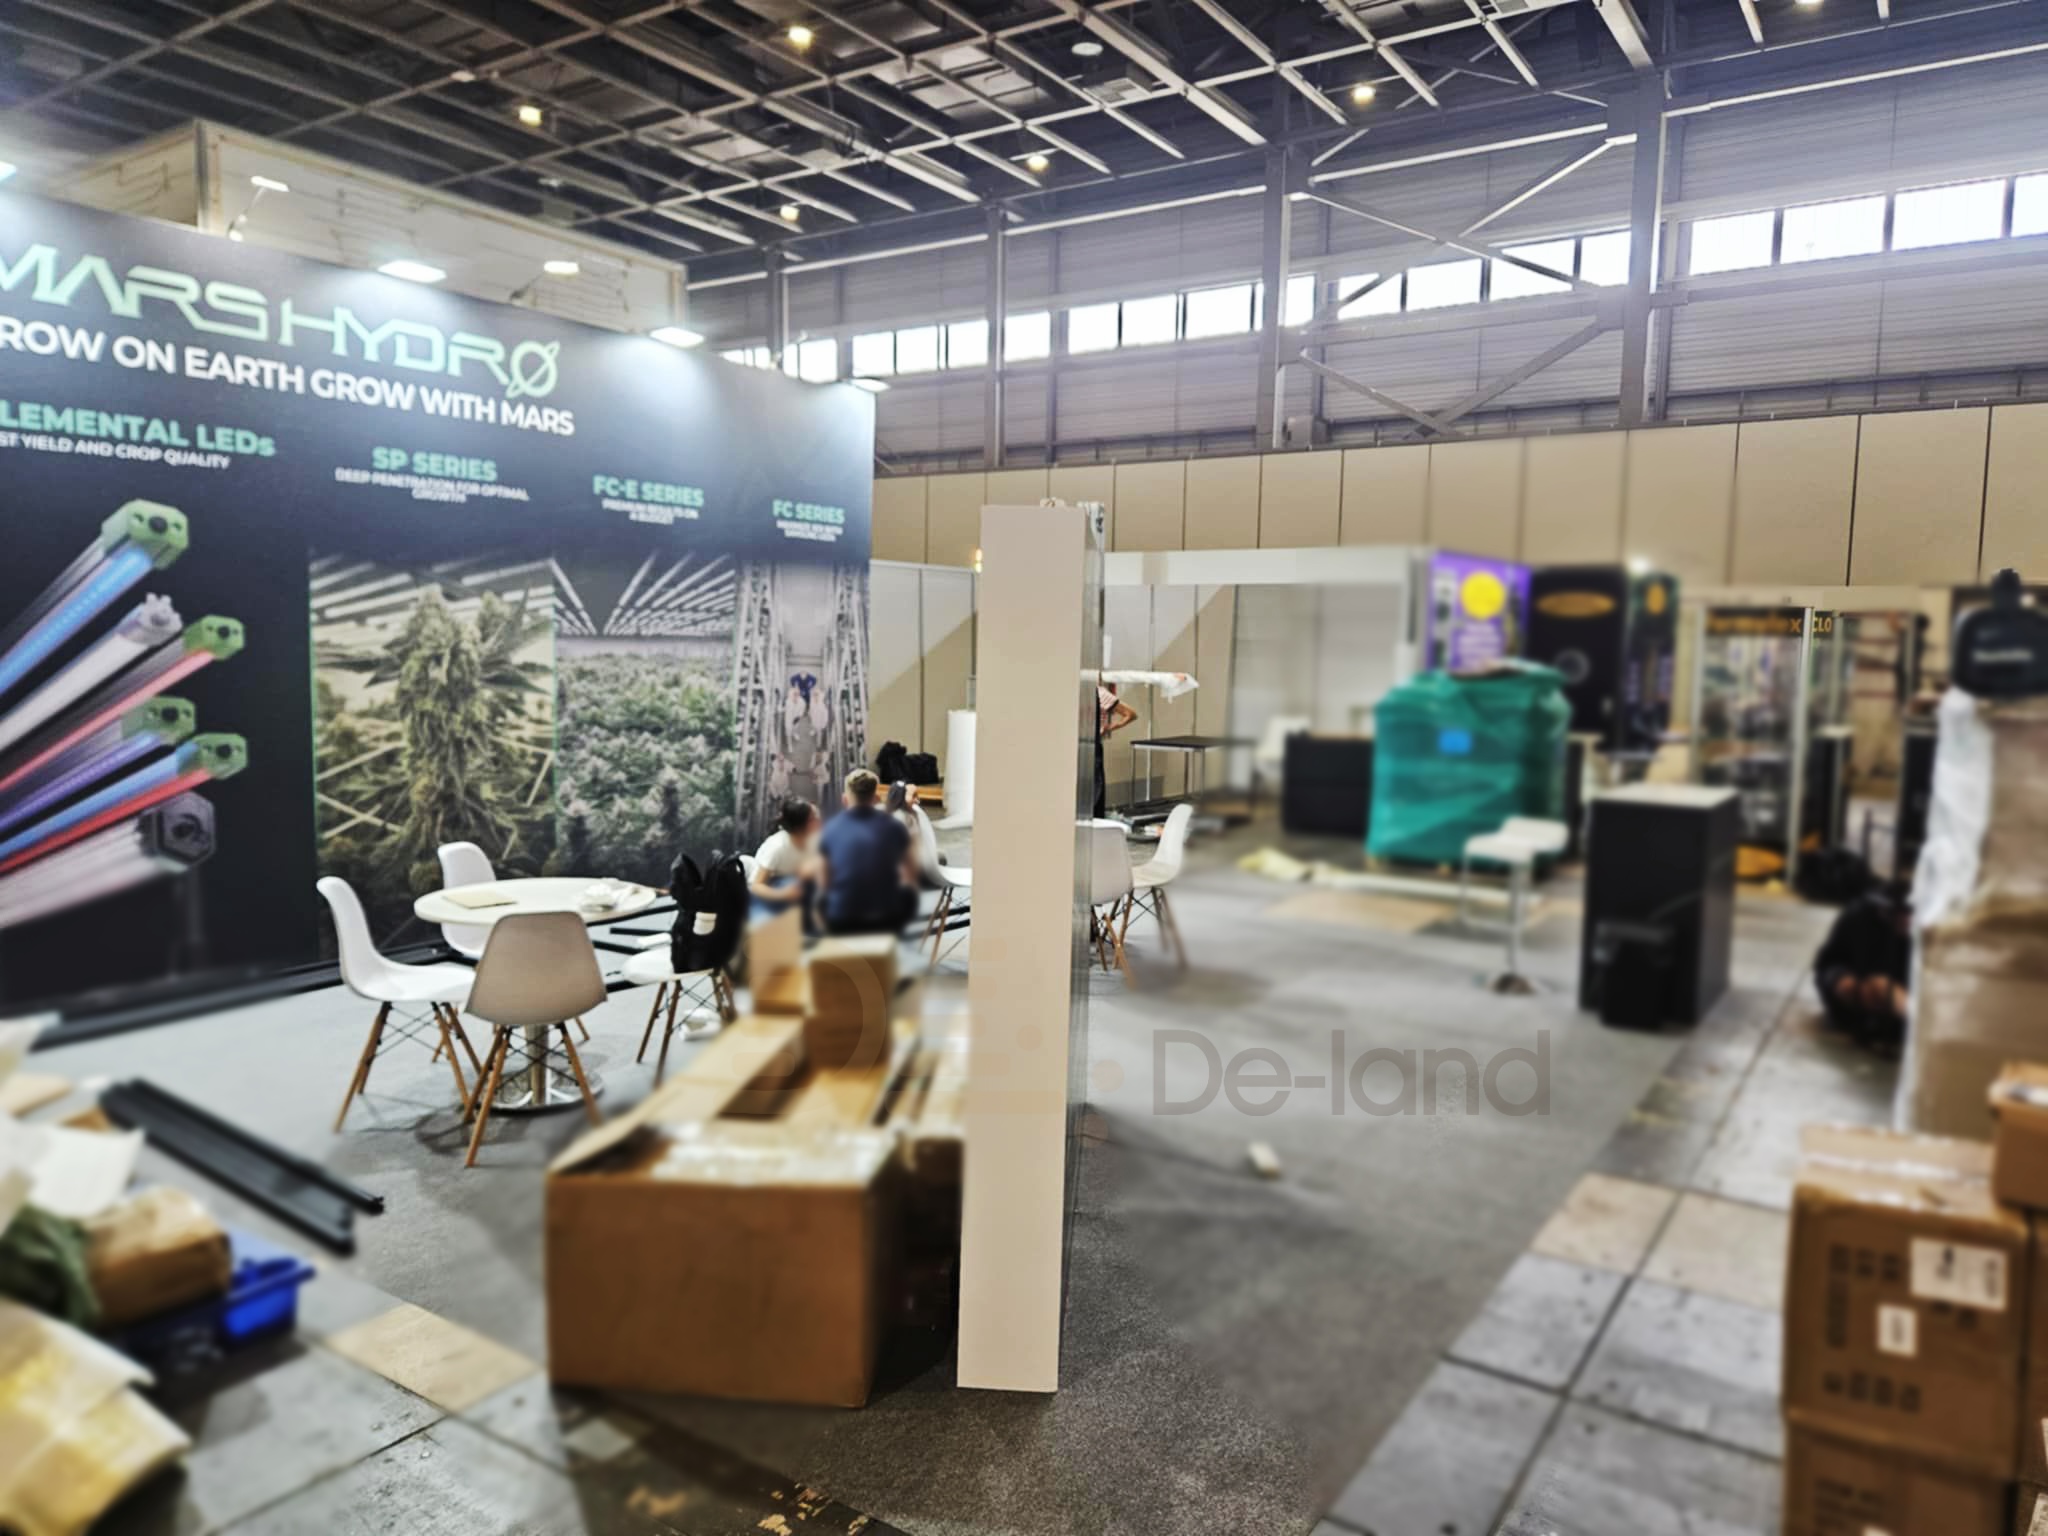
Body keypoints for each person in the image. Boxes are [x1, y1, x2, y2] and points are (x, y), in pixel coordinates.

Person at [1814, 879, 1912, 1049]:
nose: (1907, 921)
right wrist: (1848, 984)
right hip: (1864, 998)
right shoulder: (1861, 915)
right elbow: (1827, 966)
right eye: (1902, 915)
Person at [817, 769, 916, 936]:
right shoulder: (894, 826)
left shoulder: (830, 829)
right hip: (885, 917)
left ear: (844, 799)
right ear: (876, 798)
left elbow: (824, 881)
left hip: (842, 918)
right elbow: (909, 874)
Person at [750, 798, 818, 923]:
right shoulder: (777, 847)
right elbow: (756, 886)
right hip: (768, 895)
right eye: (813, 819)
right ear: (800, 825)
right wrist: (783, 894)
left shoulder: (813, 842)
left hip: (793, 894)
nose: (819, 821)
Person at [1094, 682, 1137, 819]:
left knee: (1095, 788)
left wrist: (1109, 728)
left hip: (1093, 745)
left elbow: (1130, 714)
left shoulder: (1100, 693)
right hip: (1083, 745)